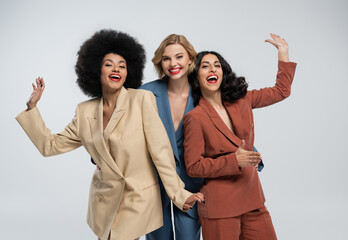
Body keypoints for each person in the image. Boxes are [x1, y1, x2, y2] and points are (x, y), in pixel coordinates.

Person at [16, 29, 203, 240]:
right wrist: (32, 108)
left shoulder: (141, 100)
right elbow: (49, 146)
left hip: (137, 199)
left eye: (122, 65)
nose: (116, 69)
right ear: (96, 70)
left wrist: (179, 194)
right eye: (108, 64)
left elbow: (161, 152)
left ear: (128, 72)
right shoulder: (84, 111)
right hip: (105, 203)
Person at [183, 34, 297, 240]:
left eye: (216, 65)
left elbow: (281, 91)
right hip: (220, 207)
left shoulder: (243, 99)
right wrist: (233, 161)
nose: (212, 70)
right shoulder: (195, 117)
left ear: (223, 72)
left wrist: (283, 53)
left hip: (253, 200)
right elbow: (193, 166)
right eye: (205, 66)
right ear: (196, 76)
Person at [140, 34, 203, 240]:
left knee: (188, 237)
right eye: (166, 59)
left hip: (190, 184)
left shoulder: (203, 94)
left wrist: (249, 152)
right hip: (154, 184)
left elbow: (224, 124)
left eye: (179, 57)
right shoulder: (145, 93)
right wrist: (99, 159)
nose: (173, 63)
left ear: (190, 60)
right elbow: (122, 129)